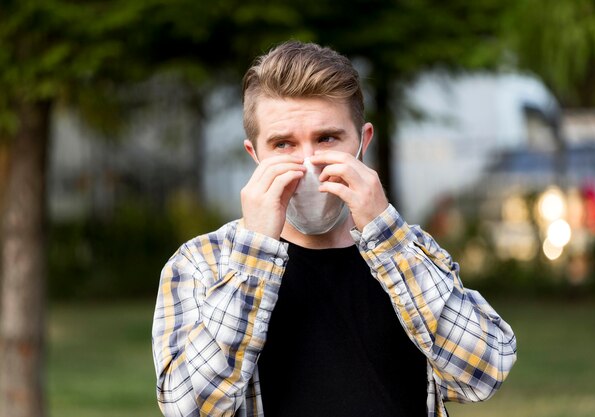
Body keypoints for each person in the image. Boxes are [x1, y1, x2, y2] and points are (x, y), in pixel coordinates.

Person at [152, 40, 517, 417]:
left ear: (362, 142)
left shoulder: (411, 250)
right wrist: (255, 252)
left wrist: (386, 234)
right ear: (255, 155)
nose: (308, 162)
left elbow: (483, 374)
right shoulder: (200, 264)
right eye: (283, 144)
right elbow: (189, 408)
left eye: (327, 138)